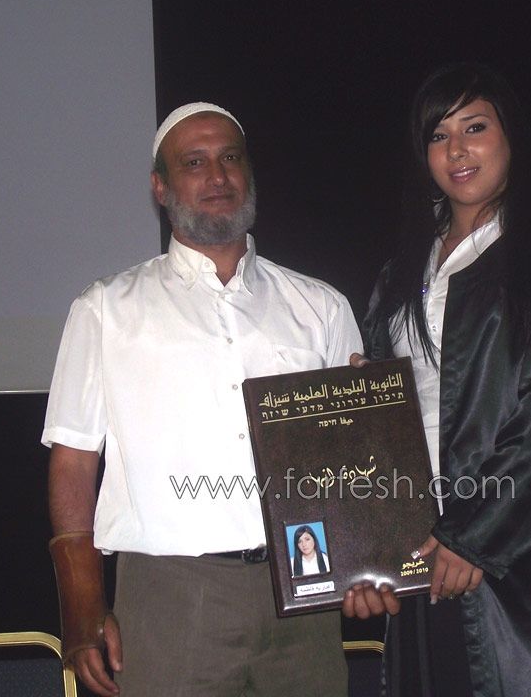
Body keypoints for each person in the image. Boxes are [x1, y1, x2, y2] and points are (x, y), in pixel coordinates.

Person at [43, 102, 362, 697]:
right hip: (169, 597)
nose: (217, 176)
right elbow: (73, 464)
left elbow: (349, 453)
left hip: (305, 589)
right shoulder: (106, 309)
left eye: (230, 158)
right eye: (194, 163)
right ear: (160, 187)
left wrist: (369, 558)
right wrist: (82, 604)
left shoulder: (320, 306)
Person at [352, 63, 531, 696]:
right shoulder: (403, 268)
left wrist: (474, 535)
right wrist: (365, 549)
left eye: (474, 128)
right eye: (438, 135)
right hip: (422, 546)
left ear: (511, 136)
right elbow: (391, 412)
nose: (456, 150)